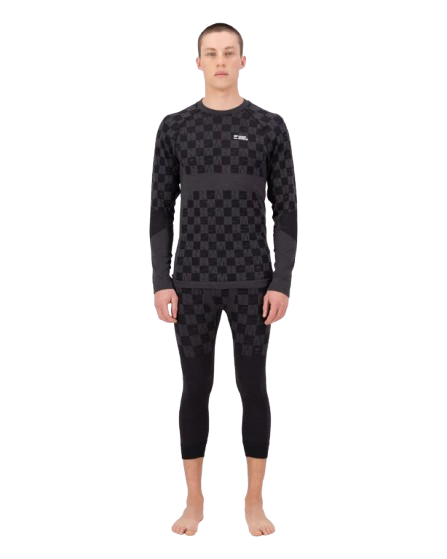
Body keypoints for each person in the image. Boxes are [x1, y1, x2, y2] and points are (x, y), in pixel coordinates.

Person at [149, 22, 298, 537]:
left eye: (228, 53)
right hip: (191, 282)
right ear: (198, 63)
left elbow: (287, 212)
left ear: (242, 61)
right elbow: (160, 212)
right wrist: (160, 280)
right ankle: (194, 500)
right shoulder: (174, 127)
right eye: (210, 53)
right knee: (195, 387)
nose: (220, 61)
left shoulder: (270, 125)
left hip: (253, 283)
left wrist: (280, 281)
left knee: (253, 386)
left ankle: (254, 500)